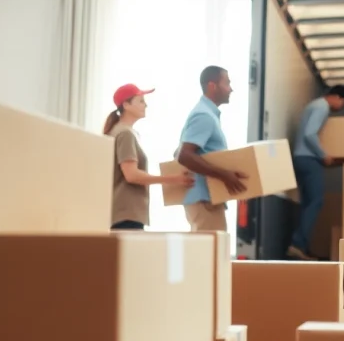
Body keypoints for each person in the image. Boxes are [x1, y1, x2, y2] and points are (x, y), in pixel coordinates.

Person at [104, 83, 194, 231]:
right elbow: (131, 175)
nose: (145, 105)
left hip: (124, 213)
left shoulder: (121, 132)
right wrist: (172, 179)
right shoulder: (125, 134)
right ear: (126, 105)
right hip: (126, 214)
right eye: (141, 101)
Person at [176, 65, 248, 232]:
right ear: (212, 86)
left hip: (208, 199)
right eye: (227, 83)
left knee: (210, 254)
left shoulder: (207, 114)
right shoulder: (204, 116)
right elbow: (184, 155)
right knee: (207, 256)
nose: (231, 89)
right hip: (203, 201)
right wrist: (224, 175)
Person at [288, 85, 344, 260]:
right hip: (309, 159)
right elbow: (310, 134)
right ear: (337, 98)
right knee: (317, 201)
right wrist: (324, 155)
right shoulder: (322, 106)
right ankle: (298, 244)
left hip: (300, 157)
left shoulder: (313, 105)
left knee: (308, 203)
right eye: (343, 103)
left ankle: (301, 246)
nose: (340, 108)